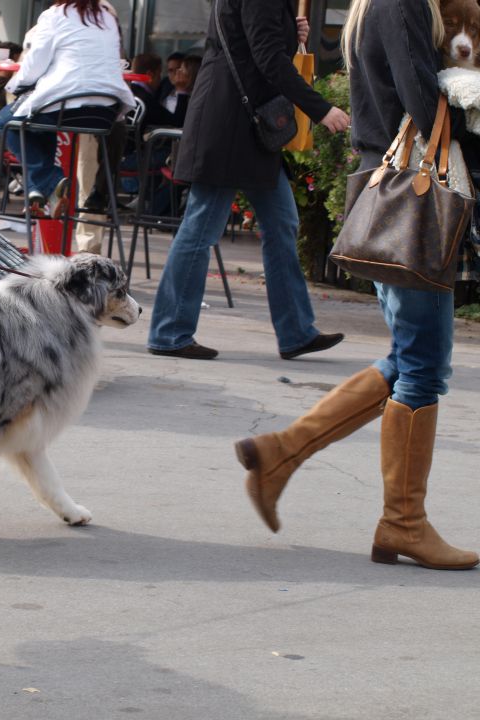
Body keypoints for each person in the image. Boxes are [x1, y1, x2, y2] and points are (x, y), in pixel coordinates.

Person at [235, 0, 478, 570]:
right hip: (408, 194)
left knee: (415, 357)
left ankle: (282, 452)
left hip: (397, 188)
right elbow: (422, 103)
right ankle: (402, 522)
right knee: (422, 363)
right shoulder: (404, 4)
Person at [145, 0, 350, 361]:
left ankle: (296, 332)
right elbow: (267, 58)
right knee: (202, 227)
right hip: (231, 126)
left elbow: (253, 45)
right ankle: (170, 332)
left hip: (242, 125)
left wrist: (290, 32)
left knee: (280, 222)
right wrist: (321, 109)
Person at [0, 0, 135, 215]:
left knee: (7, 120)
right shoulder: (107, 16)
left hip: (67, 107)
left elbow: (34, 65)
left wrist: (17, 85)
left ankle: (50, 181)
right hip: (106, 112)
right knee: (38, 124)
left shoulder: (55, 15)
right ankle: (39, 192)